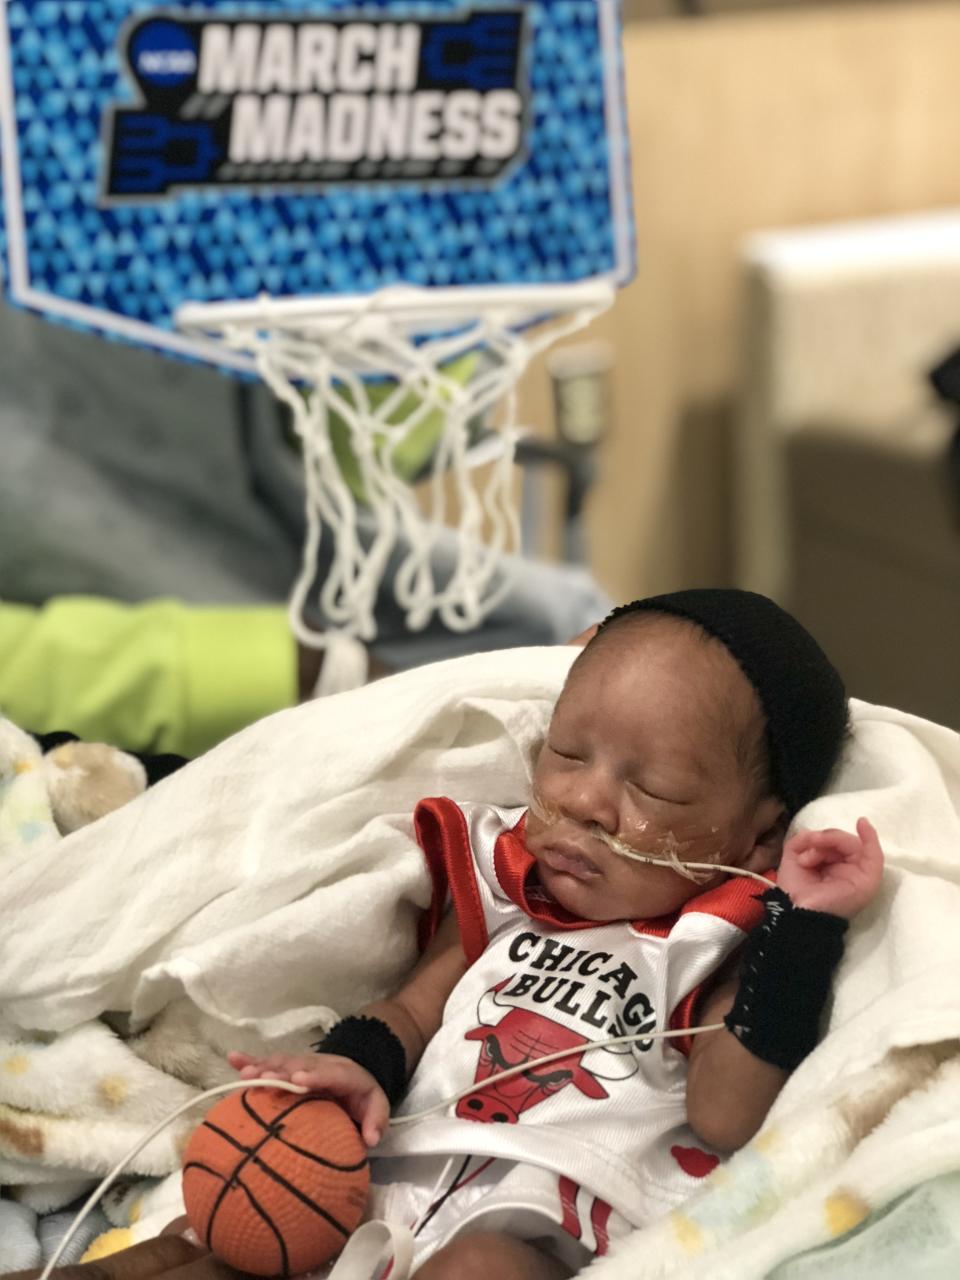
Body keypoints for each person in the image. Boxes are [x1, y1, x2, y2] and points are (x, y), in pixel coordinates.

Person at [227, 588, 885, 1280]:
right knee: (231, 1212)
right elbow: (412, 1010)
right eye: (567, 753)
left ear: (760, 837)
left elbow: (725, 1115)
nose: (582, 801)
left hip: (545, 1230)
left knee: (477, 1268)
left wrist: (800, 934)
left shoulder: (709, 947)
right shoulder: (510, 892)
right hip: (383, 1187)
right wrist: (354, 1066)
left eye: (652, 790)